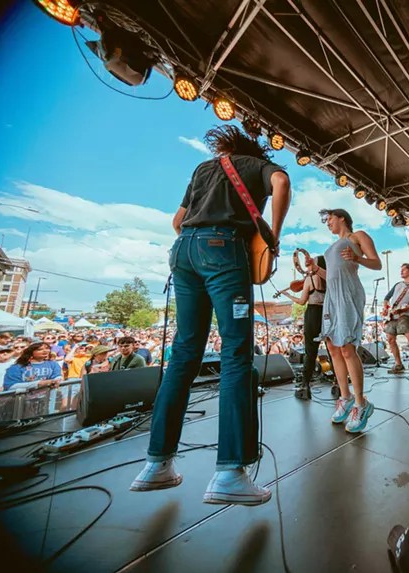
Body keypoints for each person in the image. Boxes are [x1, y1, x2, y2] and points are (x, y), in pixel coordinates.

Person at [131, 124, 290, 506]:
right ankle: (231, 472)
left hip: (184, 251)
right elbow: (282, 183)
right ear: (254, 150)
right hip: (223, 250)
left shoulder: (204, 168)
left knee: (184, 353)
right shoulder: (257, 165)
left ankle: (157, 464)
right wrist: (273, 235)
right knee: (236, 353)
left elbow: (176, 221)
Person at [307, 208, 382, 433]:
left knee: (348, 347)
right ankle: (345, 396)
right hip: (332, 294)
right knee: (333, 346)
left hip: (348, 293)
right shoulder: (333, 246)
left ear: (342, 218)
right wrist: (315, 269)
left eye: (329, 218)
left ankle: (362, 403)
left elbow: (376, 263)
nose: (327, 223)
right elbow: (330, 275)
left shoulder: (357, 236)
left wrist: (357, 257)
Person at [278, 256, 326, 391]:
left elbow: (301, 301)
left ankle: (305, 384)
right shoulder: (329, 279)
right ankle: (338, 382)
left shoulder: (310, 280)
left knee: (311, 351)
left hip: (313, 313)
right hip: (327, 313)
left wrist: (288, 295)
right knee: (332, 349)